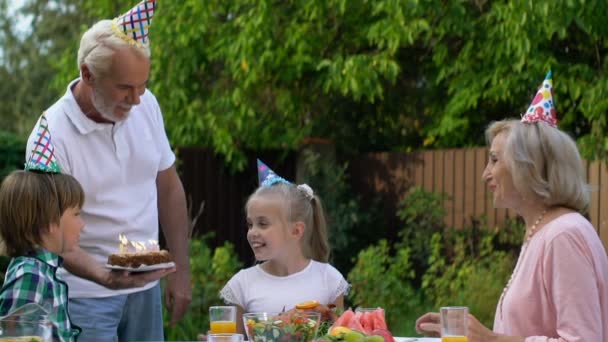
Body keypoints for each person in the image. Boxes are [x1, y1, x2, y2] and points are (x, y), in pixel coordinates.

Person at [25, 1, 191, 340]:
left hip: (145, 288)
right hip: (83, 296)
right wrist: (105, 277)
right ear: (88, 74)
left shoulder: (148, 107)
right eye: (125, 88)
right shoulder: (51, 134)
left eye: (142, 85)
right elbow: (51, 235)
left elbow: (169, 187)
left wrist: (181, 270)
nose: (137, 100)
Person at [415, 71, 608, 341]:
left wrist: (491, 339)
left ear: (526, 167)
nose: (485, 174)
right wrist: (473, 333)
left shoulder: (563, 236)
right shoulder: (544, 231)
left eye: (494, 160)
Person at [217, 160, 349, 335]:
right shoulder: (243, 284)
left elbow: (341, 336)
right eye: (250, 224)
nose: (252, 232)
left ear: (296, 230)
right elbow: (234, 338)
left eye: (263, 224)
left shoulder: (329, 280)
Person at [0, 117, 84, 341]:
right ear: (49, 223)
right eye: (76, 214)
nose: (82, 224)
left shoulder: (43, 272)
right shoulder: (31, 276)